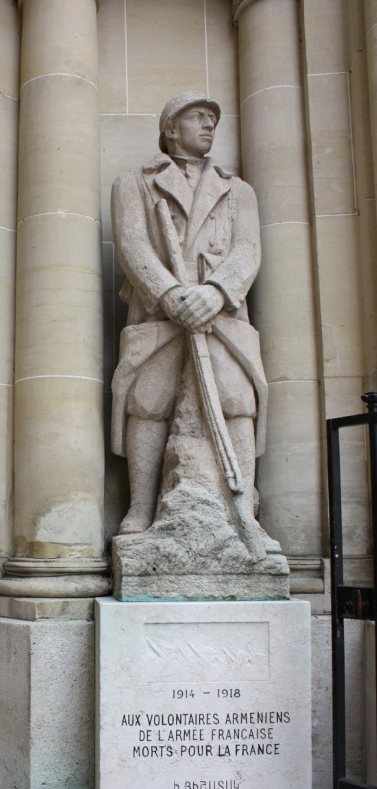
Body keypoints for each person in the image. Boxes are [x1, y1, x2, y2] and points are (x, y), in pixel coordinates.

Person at [111, 90, 269, 540]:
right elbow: (132, 244)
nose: (209, 125)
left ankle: (245, 516)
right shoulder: (135, 183)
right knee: (148, 403)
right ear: (170, 128)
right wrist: (171, 294)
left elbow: (248, 249)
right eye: (198, 117)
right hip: (162, 314)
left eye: (212, 119)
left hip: (222, 318)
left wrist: (216, 293)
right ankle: (141, 510)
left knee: (238, 402)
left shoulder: (238, 190)